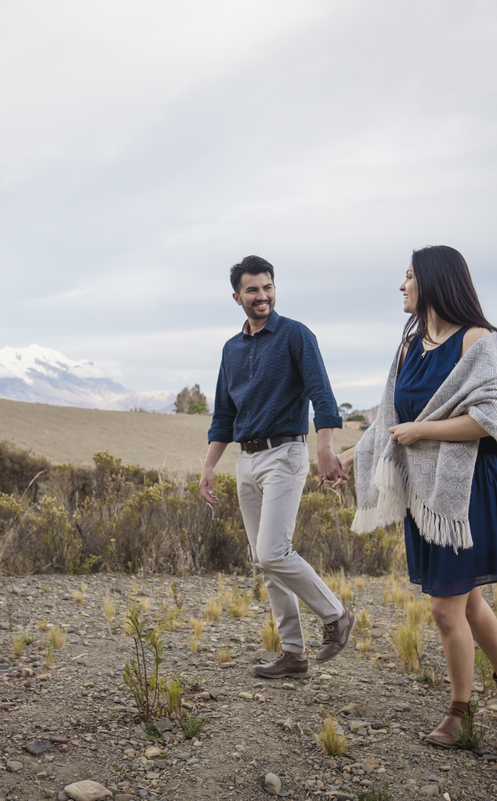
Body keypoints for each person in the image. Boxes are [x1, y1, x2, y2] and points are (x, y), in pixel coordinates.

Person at [336, 245, 497, 747]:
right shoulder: (410, 345)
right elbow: (391, 419)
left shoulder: (477, 339)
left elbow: (488, 419)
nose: (402, 286)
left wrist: (422, 431)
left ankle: (459, 713)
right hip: (425, 492)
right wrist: (350, 456)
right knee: (467, 600)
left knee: (445, 609)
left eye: (408, 276)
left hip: (465, 490)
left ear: (433, 281)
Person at [199, 255, 356, 679]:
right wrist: (210, 465)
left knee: (273, 551)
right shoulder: (231, 350)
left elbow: (322, 394)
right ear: (237, 297)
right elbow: (223, 415)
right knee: (264, 561)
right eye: (252, 289)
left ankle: (336, 615)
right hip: (246, 460)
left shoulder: (295, 335)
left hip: (285, 454)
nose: (262, 295)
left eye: (267, 287)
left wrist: (325, 447)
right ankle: (293, 654)